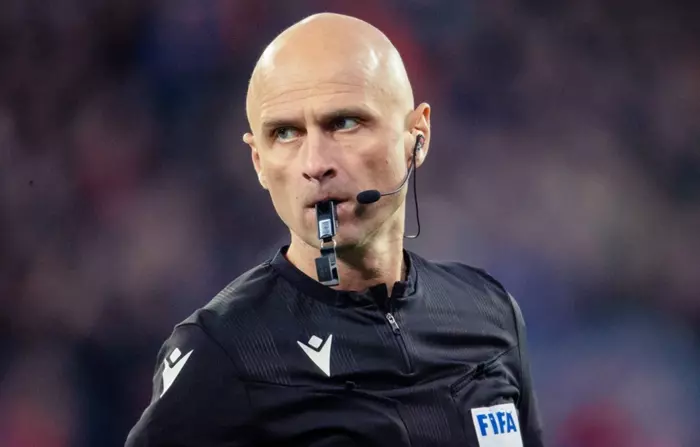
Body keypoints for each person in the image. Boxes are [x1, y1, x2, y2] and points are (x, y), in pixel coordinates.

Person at [126, 12, 544, 447]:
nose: (315, 164)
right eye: (285, 133)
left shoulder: (490, 315)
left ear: (417, 135)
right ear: (259, 163)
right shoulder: (223, 351)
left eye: (344, 123)